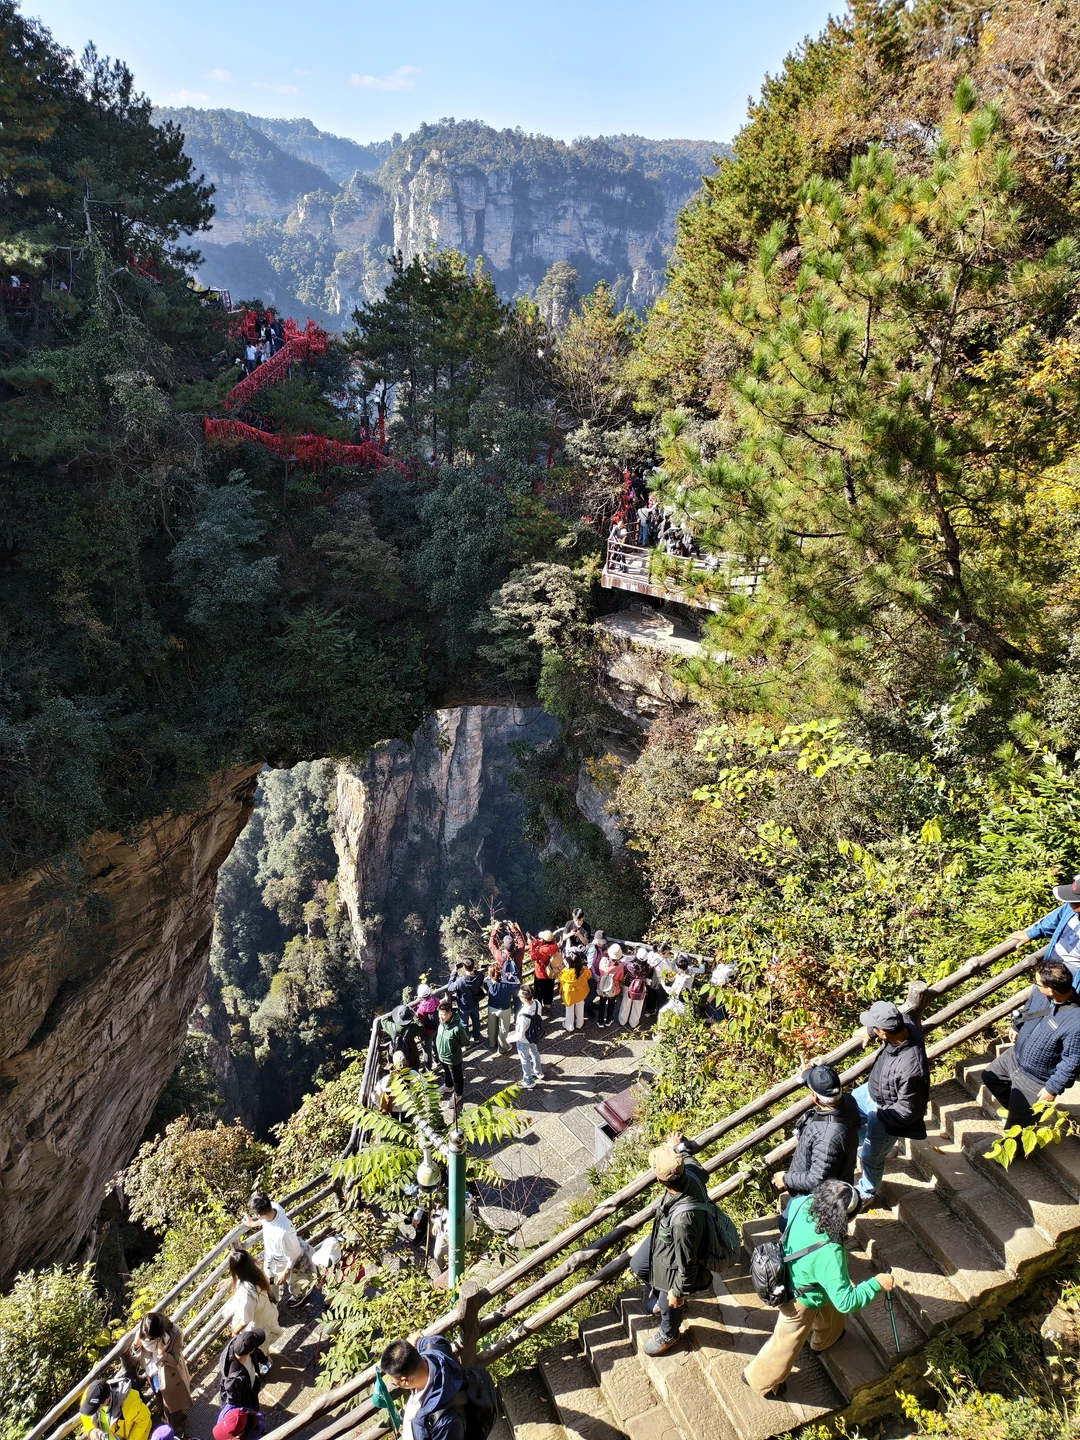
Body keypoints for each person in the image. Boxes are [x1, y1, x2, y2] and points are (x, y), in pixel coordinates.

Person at [743, 1181, 894, 1398]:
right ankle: (758, 1378)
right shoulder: (830, 1251)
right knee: (786, 1342)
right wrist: (876, 1284)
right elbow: (846, 1302)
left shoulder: (802, 1203)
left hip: (796, 1274)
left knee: (828, 1312)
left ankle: (826, 1339)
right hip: (799, 1299)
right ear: (845, 1218)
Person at [630, 1140, 715, 1356]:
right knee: (639, 1265)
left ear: (658, 1179)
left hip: (676, 1254)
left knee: (669, 1299)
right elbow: (695, 1166)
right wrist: (678, 1149)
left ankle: (669, 1333)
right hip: (666, 1240)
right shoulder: (691, 1174)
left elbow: (687, 1262)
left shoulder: (683, 1222)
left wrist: (677, 1292)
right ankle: (662, 1295)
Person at [982, 959, 1080, 1128]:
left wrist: (1052, 1088)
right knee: (990, 1077)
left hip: (1036, 1078)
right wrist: (1017, 1025)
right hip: (1014, 1057)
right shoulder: (1039, 993)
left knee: (1016, 1132)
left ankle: (1024, 1118)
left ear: (1050, 989)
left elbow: (1072, 1061)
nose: (1035, 985)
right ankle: (1018, 1111)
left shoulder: (1076, 1022)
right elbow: (1029, 1009)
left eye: (1038, 983)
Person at [851, 1001, 930, 1203]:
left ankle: (867, 1192)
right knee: (847, 1112)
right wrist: (870, 1031)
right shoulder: (905, 1025)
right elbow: (902, 1015)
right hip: (870, 1092)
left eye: (874, 1027)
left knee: (869, 1158)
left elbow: (908, 1110)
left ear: (884, 1033)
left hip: (886, 1113)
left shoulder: (911, 1068)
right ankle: (884, 1150)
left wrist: (879, 1115)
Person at [774, 1067, 860, 1200]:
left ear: (814, 1098)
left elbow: (817, 1179)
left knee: (786, 1221)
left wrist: (786, 1178)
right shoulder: (849, 1102)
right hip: (839, 1182)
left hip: (817, 1200)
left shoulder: (827, 1138)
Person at [378, 1335, 469, 1440]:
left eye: (393, 1380)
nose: (392, 1382)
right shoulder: (436, 1351)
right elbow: (437, 1340)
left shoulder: (443, 1422)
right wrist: (418, 1341)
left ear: (406, 1381)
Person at [1006, 875, 1080, 987]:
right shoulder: (1071, 909)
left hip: (1072, 986)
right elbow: (1054, 919)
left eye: (1074, 900)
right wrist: (1030, 933)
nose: (1069, 903)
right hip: (1048, 975)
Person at [126, 1312, 192, 1434]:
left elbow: (175, 1361)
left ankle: (176, 1428)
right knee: (160, 1398)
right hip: (152, 1373)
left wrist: (162, 1354)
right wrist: (136, 1345)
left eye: (151, 1338)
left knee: (173, 1404)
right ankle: (167, 1423)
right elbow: (135, 1358)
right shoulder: (143, 1332)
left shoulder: (175, 1333)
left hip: (169, 1374)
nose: (148, 1340)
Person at [247, 1194, 314, 1309]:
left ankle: (300, 1296)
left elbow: (294, 1252)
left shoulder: (283, 1233)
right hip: (273, 1255)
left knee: (296, 1280)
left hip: (287, 1258)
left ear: (259, 1215)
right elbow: (266, 1221)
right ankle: (274, 1300)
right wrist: (253, 1224)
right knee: (270, 1279)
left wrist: (285, 1271)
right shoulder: (274, 1207)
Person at [222, 1248, 283, 1352]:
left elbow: (246, 1320)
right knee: (266, 1341)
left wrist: (235, 1332)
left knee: (261, 1348)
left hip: (259, 1325)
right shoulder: (257, 1272)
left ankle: (266, 1362)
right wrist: (231, 1280)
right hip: (268, 1313)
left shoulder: (246, 1294)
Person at [217, 1324, 267, 1414]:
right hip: (245, 1398)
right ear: (250, 1351)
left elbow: (256, 1351)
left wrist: (265, 1359)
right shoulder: (233, 1380)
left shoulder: (238, 1344)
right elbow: (233, 1401)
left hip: (250, 1385)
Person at [79, 1379, 152, 1440]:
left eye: (96, 1407)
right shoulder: (90, 1394)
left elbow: (144, 1419)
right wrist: (91, 1430)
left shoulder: (129, 1403)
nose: (94, 1410)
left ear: (107, 1400)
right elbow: (85, 1414)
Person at [509, 984, 544, 1088]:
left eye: (520, 996)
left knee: (525, 1060)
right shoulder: (537, 1003)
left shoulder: (522, 1014)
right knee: (535, 1053)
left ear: (524, 998)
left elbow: (519, 1035)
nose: (519, 997)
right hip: (534, 1035)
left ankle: (528, 1081)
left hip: (524, 1040)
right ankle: (538, 1072)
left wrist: (509, 1039)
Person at [435, 1000, 467, 1100]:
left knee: (457, 1078)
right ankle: (448, 1086)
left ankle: (458, 1094)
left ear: (450, 1014)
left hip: (453, 1058)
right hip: (442, 1056)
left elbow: (464, 1041)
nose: (441, 1017)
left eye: (443, 1015)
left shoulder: (457, 1028)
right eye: (439, 1014)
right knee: (447, 1073)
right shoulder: (442, 1023)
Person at [447, 959, 484, 1043]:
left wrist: (453, 974)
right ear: (474, 965)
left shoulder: (461, 981)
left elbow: (450, 987)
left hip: (463, 1006)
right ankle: (477, 1038)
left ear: (464, 968)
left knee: (464, 1024)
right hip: (474, 1003)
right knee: (475, 1020)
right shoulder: (480, 975)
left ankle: (466, 1042)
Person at [483, 960, 515, 1055]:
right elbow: (514, 986)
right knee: (503, 1030)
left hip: (492, 1007)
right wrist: (508, 977)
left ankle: (492, 1043)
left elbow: (486, 983)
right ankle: (502, 1048)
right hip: (504, 1009)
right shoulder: (506, 984)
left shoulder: (487, 983)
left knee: (491, 1027)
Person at [527, 930, 562, 1013]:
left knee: (539, 991)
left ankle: (538, 1008)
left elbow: (533, 957)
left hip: (541, 973)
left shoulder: (542, 950)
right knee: (549, 989)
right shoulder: (554, 945)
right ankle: (548, 1005)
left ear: (544, 940)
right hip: (551, 971)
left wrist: (530, 944)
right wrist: (536, 941)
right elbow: (545, 945)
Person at [382, 1004, 423, 1071]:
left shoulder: (391, 1027)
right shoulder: (413, 1028)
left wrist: (396, 1013)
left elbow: (383, 1019)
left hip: (396, 1053)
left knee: (398, 1070)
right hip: (411, 1053)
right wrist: (414, 1015)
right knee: (413, 1068)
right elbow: (421, 1028)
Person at [619, 950, 651, 1028]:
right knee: (638, 1006)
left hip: (628, 986)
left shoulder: (630, 965)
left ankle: (622, 1020)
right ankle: (634, 1023)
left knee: (626, 1003)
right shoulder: (648, 967)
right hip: (641, 987)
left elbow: (624, 968)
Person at [559, 951, 590, 1032]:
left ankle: (569, 1026)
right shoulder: (583, 969)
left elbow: (560, 979)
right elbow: (589, 975)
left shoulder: (565, 973)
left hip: (569, 994)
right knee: (580, 1006)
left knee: (569, 1009)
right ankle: (580, 1023)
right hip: (581, 992)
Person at [596, 943, 626, 1027]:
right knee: (611, 1004)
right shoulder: (620, 966)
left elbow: (600, 971)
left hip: (602, 987)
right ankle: (609, 1020)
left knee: (602, 1004)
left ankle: (600, 1021)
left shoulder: (603, 961)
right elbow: (620, 978)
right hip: (613, 989)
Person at [415, 985, 440, 1068]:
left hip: (426, 1033)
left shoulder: (420, 1010)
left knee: (427, 1051)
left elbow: (420, 1025)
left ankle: (428, 1068)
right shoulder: (435, 1001)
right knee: (436, 1044)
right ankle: (437, 1060)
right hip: (436, 1028)